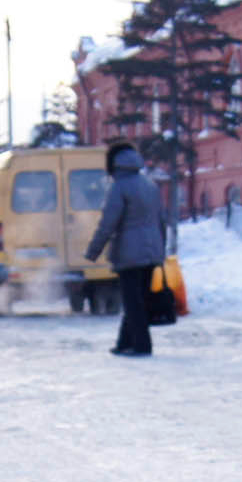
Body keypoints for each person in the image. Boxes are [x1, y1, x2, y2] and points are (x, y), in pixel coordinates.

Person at [85, 141, 167, 356]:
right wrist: (161, 249)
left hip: (129, 253)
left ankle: (142, 345)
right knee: (139, 299)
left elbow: (108, 223)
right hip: (151, 251)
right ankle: (124, 343)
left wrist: (94, 250)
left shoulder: (119, 187)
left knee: (133, 302)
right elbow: (161, 220)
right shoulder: (149, 184)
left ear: (113, 163)